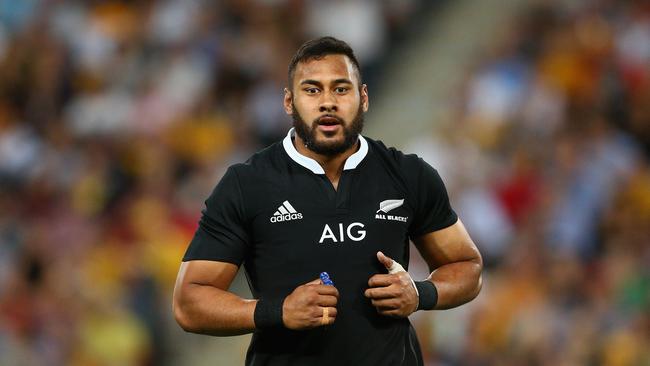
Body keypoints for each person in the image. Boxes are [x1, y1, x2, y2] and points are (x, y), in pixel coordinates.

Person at [173, 36, 482, 366]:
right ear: (289, 102)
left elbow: (468, 268)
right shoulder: (247, 184)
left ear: (363, 98)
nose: (327, 102)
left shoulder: (409, 175)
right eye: (312, 90)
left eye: (341, 88)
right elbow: (189, 303)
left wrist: (421, 293)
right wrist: (277, 310)